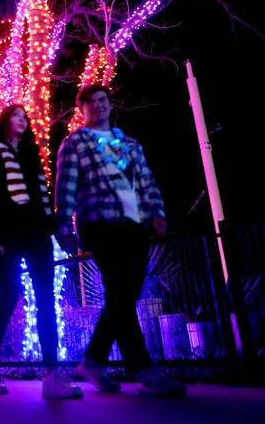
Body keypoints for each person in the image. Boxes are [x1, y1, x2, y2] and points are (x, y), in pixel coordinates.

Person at [55, 84, 186, 396]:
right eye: (91, 102)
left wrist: (156, 213)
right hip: (98, 222)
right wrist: (64, 226)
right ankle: (144, 369)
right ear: (82, 109)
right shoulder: (75, 143)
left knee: (123, 297)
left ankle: (93, 361)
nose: (98, 105)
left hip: (134, 224)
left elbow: (146, 180)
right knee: (119, 291)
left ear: (110, 105)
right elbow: (66, 186)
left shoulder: (129, 143)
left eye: (103, 100)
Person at [0, 104, 82, 399]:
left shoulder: (32, 154)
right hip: (7, 236)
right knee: (9, 296)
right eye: (16, 115)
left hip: (37, 234)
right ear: (5, 120)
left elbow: (42, 197)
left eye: (25, 117)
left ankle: (51, 374)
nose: (22, 120)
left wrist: (58, 231)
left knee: (47, 299)